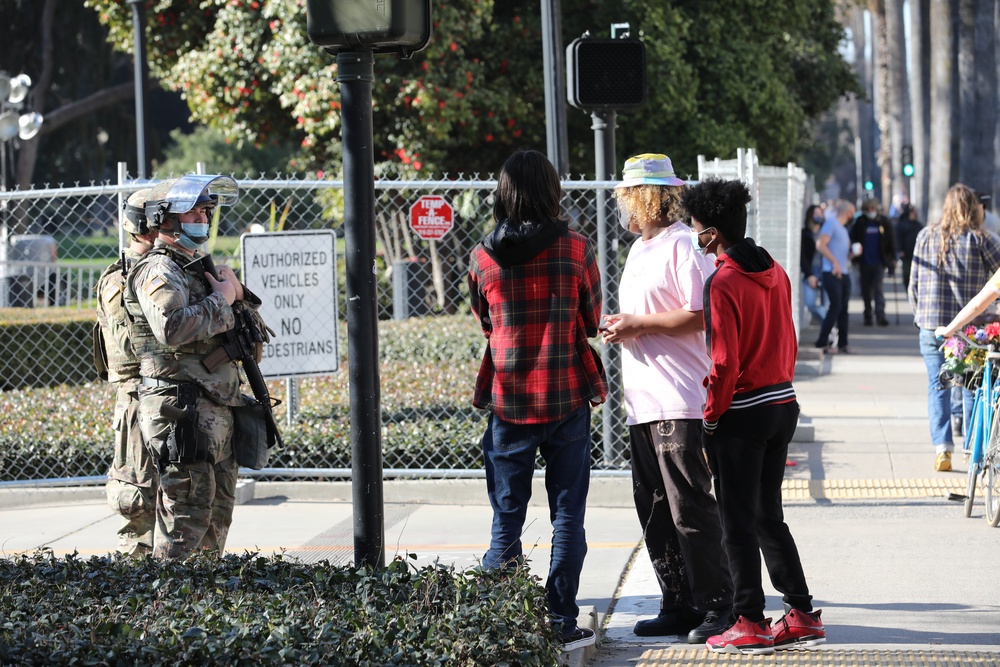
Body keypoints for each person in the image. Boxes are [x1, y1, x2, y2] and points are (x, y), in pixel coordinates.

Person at [467, 149, 608, 652]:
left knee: (507, 513)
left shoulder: (482, 255)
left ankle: (500, 619)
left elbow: (486, 322)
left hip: (509, 400)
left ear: (503, 193)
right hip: (566, 395)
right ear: (552, 190)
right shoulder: (575, 248)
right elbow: (591, 322)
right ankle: (561, 618)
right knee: (567, 514)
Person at [681, 178, 824, 655]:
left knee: (735, 522)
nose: (695, 237)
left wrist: (709, 421)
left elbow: (723, 363)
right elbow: (789, 338)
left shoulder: (721, 281)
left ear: (713, 234)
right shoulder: (777, 272)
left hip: (741, 412)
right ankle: (801, 612)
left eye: (697, 229)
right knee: (768, 516)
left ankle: (747, 620)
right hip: (782, 403)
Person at [601, 153, 733, 644]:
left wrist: (636, 324)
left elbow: (698, 313)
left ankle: (718, 604)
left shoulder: (682, 245)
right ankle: (677, 601)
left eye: (627, 198)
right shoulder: (640, 249)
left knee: (690, 508)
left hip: (678, 399)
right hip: (643, 400)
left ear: (646, 196)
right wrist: (624, 326)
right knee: (654, 507)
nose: (624, 209)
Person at [123, 174, 258, 559]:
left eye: (206, 210)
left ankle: (204, 607)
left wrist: (237, 296)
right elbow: (171, 326)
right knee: (186, 518)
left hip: (214, 408)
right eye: (196, 210)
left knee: (216, 519)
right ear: (165, 218)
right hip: (181, 410)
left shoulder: (196, 268)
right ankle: (168, 605)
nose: (204, 217)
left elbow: (246, 335)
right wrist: (222, 300)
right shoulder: (158, 269)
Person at [909, 183, 1000, 472]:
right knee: (972, 387)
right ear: (975, 208)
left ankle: (942, 449)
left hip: (931, 325)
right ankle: (971, 449)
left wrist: (920, 315)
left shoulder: (925, 236)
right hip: (969, 329)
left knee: (939, 385)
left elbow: (913, 284)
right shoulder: (982, 239)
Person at [95, 187, 159, 555]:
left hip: (163, 396)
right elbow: (134, 348)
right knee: (139, 503)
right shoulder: (122, 280)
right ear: (146, 226)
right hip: (139, 400)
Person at [814, 200, 856, 353]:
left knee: (843, 308)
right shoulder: (831, 224)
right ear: (848, 212)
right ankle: (822, 341)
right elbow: (820, 245)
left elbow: (841, 252)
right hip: (831, 272)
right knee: (835, 306)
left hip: (843, 272)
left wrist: (852, 254)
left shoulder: (843, 230)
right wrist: (834, 262)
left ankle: (843, 343)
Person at [850, 198, 896, 327]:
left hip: (879, 261)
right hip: (864, 261)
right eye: (868, 209)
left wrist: (892, 258)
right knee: (866, 290)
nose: (871, 211)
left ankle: (880, 315)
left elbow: (891, 240)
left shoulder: (883, 222)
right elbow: (854, 238)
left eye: (873, 209)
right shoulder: (860, 222)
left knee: (878, 289)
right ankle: (868, 315)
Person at [800, 205, 828, 326]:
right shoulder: (805, 234)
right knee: (810, 303)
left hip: (827, 271)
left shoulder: (827, 233)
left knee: (826, 305)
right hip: (812, 271)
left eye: (820, 213)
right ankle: (830, 326)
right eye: (815, 214)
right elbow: (803, 256)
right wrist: (809, 274)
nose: (818, 216)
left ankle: (829, 334)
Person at [894, 203, 922, 291]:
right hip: (906, 254)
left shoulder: (918, 225)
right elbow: (898, 238)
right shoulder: (902, 225)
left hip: (918, 254)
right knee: (907, 274)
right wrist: (900, 250)